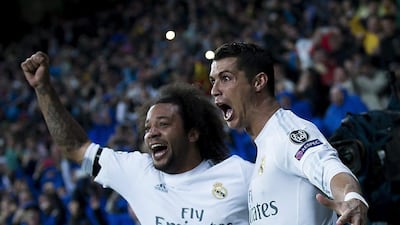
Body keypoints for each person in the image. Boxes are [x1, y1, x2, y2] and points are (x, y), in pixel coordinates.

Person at [21, 51, 254, 225]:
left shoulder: (240, 176)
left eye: (163, 124)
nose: (151, 132)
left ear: (192, 133)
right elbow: (75, 146)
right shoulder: (138, 172)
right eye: (148, 127)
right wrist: (43, 88)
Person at [208, 42, 369, 225]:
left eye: (226, 78)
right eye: (213, 81)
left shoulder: (287, 132)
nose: (214, 90)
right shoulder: (265, 143)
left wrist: (351, 196)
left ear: (258, 82)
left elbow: (327, 167)